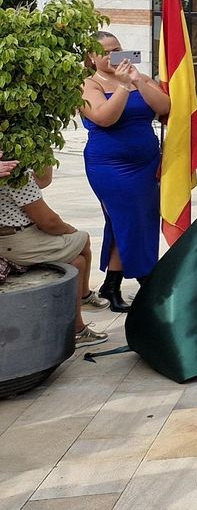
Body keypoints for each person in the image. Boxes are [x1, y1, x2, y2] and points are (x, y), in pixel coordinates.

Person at [80, 30, 170, 312]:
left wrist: (137, 82)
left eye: (116, 49)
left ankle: (112, 284)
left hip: (146, 163)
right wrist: (121, 86)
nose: (112, 56)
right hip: (110, 165)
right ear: (91, 56)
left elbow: (164, 106)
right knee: (127, 220)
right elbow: (104, 118)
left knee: (136, 220)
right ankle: (147, 279)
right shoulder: (88, 84)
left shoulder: (138, 77)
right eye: (105, 52)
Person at [0, 163, 108, 347]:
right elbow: (48, 222)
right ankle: (85, 297)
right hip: (17, 242)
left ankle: (78, 329)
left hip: (13, 238)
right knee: (82, 238)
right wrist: (69, 230)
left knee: (77, 262)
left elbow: (43, 182)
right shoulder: (16, 176)